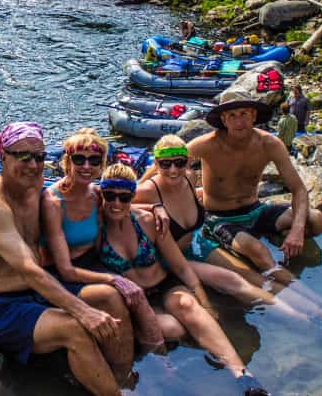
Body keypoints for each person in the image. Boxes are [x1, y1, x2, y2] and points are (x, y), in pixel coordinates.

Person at [0, 122, 133, 396]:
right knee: (74, 327)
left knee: (110, 297)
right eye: (23, 156)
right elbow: (29, 269)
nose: (33, 164)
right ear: (2, 156)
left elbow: (73, 192)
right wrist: (84, 312)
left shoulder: (34, 184)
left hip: (32, 294)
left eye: (39, 156)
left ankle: (123, 377)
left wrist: (152, 207)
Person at [98, 162, 271, 396]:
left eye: (124, 197)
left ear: (132, 196)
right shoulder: (95, 228)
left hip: (164, 284)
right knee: (172, 329)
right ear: (101, 194)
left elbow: (180, 266)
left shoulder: (148, 221)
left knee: (188, 304)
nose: (117, 203)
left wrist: (205, 303)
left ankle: (243, 376)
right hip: (136, 301)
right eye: (110, 195)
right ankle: (169, 376)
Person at [134, 135, 312, 322]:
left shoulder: (189, 178)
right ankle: (302, 321)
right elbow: (111, 203)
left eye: (179, 163)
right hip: (172, 258)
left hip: (196, 242)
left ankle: (316, 308)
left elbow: (187, 198)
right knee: (234, 281)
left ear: (188, 161)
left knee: (250, 274)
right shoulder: (147, 191)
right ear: (156, 164)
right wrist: (153, 207)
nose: (173, 170)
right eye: (165, 164)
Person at [188, 90, 322, 290]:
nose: (239, 121)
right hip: (221, 217)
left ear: (253, 116)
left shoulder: (269, 144)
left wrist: (296, 231)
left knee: (317, 220)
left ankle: (283, 238)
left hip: (256, 210)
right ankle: (307, 295)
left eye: (244, 114)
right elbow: (165, 164)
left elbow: (299, 189)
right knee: (259, 251)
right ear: (223, 120)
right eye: (232, 116)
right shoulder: (206, 145)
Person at [41, 128, 164, 350]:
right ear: (67, 161)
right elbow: (66, 270)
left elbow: (124, 207)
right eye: (79, 159)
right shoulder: (53, 202)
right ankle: (128, 363)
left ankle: (160, 359)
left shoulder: (96, 194)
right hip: (62, 272)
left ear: (102, 164)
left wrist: (156, 207)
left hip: (91, 262)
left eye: (94, 160)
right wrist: (113, 280)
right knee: (116, 296)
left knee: (137, 296)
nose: (87, 166)